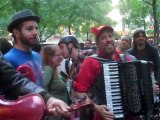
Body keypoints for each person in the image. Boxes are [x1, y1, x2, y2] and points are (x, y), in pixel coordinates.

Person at [0, 51, 70, 119]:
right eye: (57, 55)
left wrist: (47, 98)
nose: (61, 57)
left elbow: (13, 79)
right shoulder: (9, 57)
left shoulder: (37, 56)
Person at [4, 9, 44, 87]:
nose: (35, 32)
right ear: (16, 33)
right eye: (30, 29)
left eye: (36, 28)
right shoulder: (7, 60)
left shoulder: (38, 56)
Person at [41, 45, 70, 120]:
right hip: (54, 115)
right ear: (49, 57)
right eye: (58, 55)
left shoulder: (53, 69)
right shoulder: (48, 70)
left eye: (61, 54)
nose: (61, 57)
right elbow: (42, 89)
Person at [128, 29, 160, 95]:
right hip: (135, 85)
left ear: (145, 38)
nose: (141, 38)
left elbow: (158, 68)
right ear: (134, 39)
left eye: (143, 36)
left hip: (152, 83)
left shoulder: (153, 51)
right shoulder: (129, 53)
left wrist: (157, 83)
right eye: (138, 36)